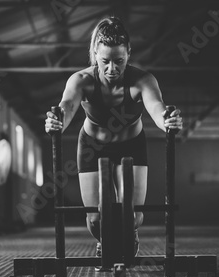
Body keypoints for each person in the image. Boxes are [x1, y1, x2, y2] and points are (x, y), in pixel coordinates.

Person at [45, 16, 183, 258]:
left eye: (119, 61)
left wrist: (168, 120)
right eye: (105, 61)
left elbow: (157, 108)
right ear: (95, 54)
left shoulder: (142, 80)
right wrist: (57, 121)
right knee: (95, 219)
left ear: (128, 53)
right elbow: (66, 107)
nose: (112, 69)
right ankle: (103, 242)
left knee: (133, 216)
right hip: (92, 147)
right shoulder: (81, 80)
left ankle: (130, 234)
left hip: (132, 146)